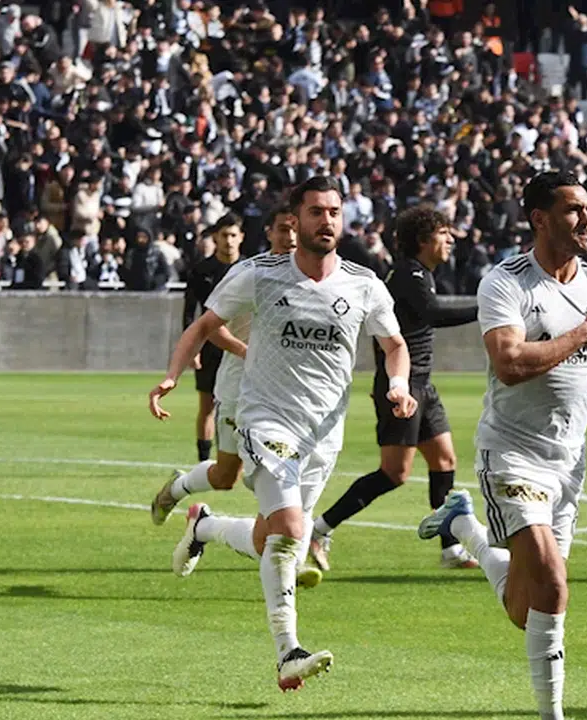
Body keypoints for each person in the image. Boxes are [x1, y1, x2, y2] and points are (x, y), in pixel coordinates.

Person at [147, 176, 418, 691]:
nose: (327, 220)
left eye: (334, 211)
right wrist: (172, 376)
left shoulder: (363, 283)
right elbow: (203, 326)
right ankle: (288, 652)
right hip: (265, 419)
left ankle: (204, 526)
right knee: (292, 530)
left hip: (324, 434)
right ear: (296, 219)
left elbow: (394, 345)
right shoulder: (260, 273)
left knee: (269, 538)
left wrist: (399, 385)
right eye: (316, 211)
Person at [416, 170, 587, 720]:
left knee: (528, 609)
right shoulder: (506, 283)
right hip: (510, 453)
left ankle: (465, 528)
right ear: (540, 219)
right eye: (574, 210)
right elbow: (509, 364)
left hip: (568, 463)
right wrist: (582, 334)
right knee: (552, 582)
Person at [308, 205, 480, 572]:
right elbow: (433, 313)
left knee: (444, 461)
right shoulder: (408, 274)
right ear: (423, 240)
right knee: (394, 473)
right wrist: (486, 307)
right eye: (443, 233)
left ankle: (450, 549)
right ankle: (319, 528)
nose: (450, 240)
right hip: (400, 386)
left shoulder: (420, 274)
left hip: (422, 384)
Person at [149, 208, 297, 524]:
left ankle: (296, 534)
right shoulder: (247, 272)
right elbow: (208, 326)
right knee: (226, 476)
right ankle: (180, 489)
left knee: (278, 472)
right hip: (239, 381)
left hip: (283, 386)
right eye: (284, 229)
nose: (292, 237)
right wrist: (247, 352)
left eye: (297, 228)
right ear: (269, 232)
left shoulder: (316, 275)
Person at [183, 213, 244, 463]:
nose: (229, 241)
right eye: (224, 235)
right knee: (207, 405)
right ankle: (204, 462)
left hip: (242, 346)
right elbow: (190, 312)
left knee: (243, 406)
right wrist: (192, 348)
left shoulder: (250, 269)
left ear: (241, 237)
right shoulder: (202, 271)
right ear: (215, 238)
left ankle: (238, 459)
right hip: (210, 346)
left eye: (233, 235)